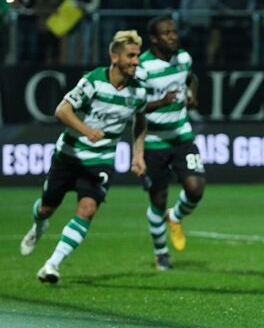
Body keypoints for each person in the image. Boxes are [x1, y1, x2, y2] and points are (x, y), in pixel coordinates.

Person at [19, 30, 147, 283]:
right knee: (46, 208)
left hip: (100, 160)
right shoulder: (93, 81)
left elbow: (140, 122)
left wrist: (138, 155)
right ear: (114, 57)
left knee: (87, 209)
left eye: (137, 56)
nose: (135, 61)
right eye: (131, 56)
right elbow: (62, 111)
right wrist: (87, 130)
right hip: (69, 155)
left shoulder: (138, 92)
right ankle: (39, 225)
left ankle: (52, 265)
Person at [137, 16, 205, 270]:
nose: (172, 36)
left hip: (181, 136)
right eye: (166, 33)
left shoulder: (183, 58)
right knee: (158, 198)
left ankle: (174, 217)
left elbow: (191, 79)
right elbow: (134, 105)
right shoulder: (142, 68)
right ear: (154, 38)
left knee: (196, 188)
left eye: (174, 32)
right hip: (153, 142)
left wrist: (192, 95)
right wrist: (160, 103)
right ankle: (161, 253)